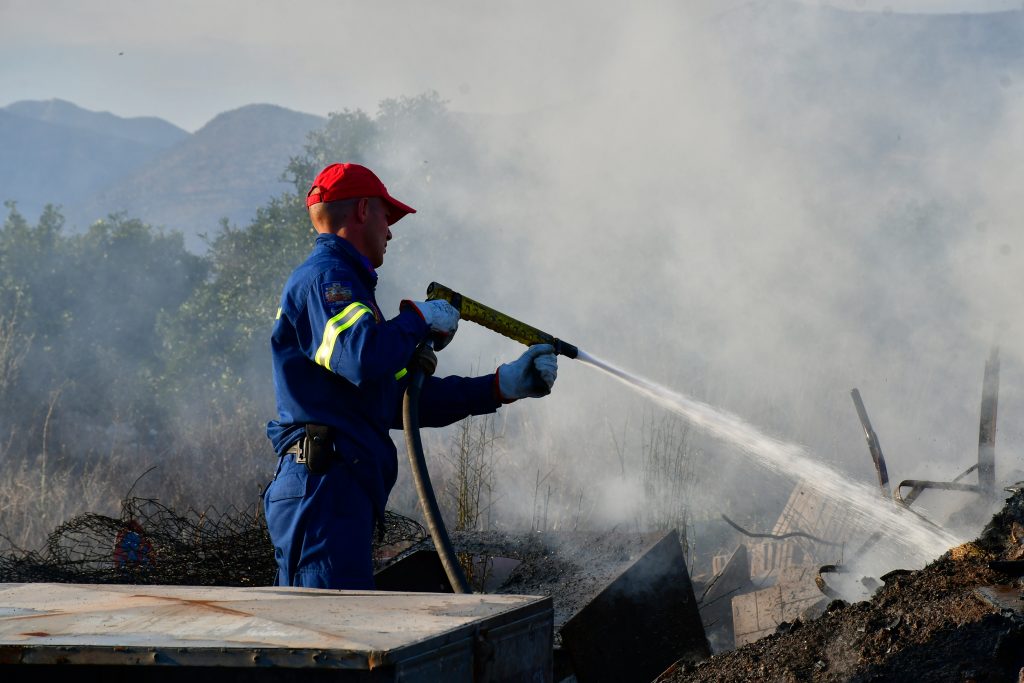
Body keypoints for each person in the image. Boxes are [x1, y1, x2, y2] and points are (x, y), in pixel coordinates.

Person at [264, 162, 558, 589]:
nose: (390, 232)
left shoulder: (349, 288)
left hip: (337, 488)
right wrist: (417, 320)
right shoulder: (327, 280)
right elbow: (362, 357)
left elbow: (400, 397)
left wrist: (501, 385)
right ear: (363, 210)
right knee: (333, 637)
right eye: (387, 217)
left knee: (343, 631)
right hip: (323, 489)